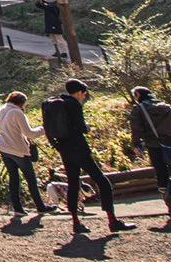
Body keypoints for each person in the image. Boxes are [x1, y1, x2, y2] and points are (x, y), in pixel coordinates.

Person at [42, 78, 133, 235]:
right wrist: (87, 128)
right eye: (84, 94)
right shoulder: (73, 104)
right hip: (79, 147)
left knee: (73, 182)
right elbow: (81, 127)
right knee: (102, 182)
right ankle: (112, 220)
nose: (84, 97)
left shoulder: (54, 104)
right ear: (79, 92)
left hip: (64, 148)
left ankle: (76, 222)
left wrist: (57, 145)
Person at [128, 86, 171, 222]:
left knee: (161, 174)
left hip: (153, 146)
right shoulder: (167, 108)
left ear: (137, 94)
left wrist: (136, 145)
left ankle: (170, 205)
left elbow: (136, 130)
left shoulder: (139, 110)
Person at [0, 91, 45, 218]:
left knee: (14, 179)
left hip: (4, 148)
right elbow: (30, 133)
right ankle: (40, 206)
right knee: (31, 179)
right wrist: (43, 129)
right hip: (18, 150)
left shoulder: (2, 109)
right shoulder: (17, 112)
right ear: (21, 103)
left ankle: (17, 208)